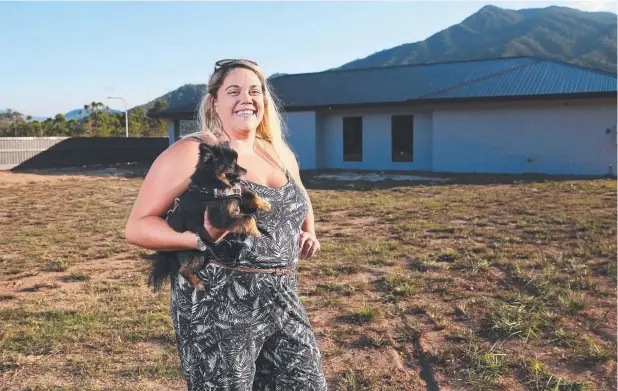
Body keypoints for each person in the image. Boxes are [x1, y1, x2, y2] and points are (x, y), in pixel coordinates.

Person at [124, 59, 328, 391]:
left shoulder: (278, 152)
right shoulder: (193, 152)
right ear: (214, 102)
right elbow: (137, 227)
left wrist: (308, 232)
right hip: (217, 308)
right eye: (233, 91)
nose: (246, 98)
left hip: (282, 297)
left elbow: (300, 197)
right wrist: (200, 238)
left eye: (254, 91)